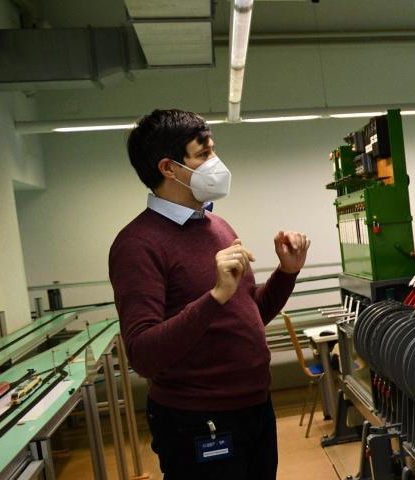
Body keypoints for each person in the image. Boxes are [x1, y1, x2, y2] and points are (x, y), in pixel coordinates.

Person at [109, 109, 310, 479]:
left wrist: (287, 272)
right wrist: (215, 294)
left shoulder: (216, 224)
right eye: (203, 155)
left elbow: (248, 314)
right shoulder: (137, 245)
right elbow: (144, 355)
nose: (216, 163)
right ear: (169, 169)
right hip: (197, 421)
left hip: (255, 406)